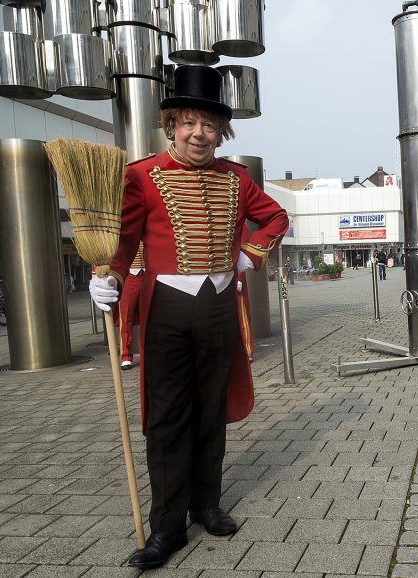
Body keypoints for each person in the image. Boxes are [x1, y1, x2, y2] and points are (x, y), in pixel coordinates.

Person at [89, 65, 289, 569]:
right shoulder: (141, 175)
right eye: (190, 124)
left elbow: (276, 218)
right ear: (173, 124)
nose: (200, 134)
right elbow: (126, 239)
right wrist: (108, 277)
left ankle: (206, 504)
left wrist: (250, 253)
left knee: (210, 411)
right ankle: (167, 526)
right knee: (168, 418)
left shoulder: (236, 179)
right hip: (170, 309)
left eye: (211, 126)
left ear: (223, 132)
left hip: (221, 305)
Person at [119, 243, 144, 369]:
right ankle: (126, 355)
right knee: (126, 316)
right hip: (131, 275)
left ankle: (146, 354)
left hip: (148, 274)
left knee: (150, 317)